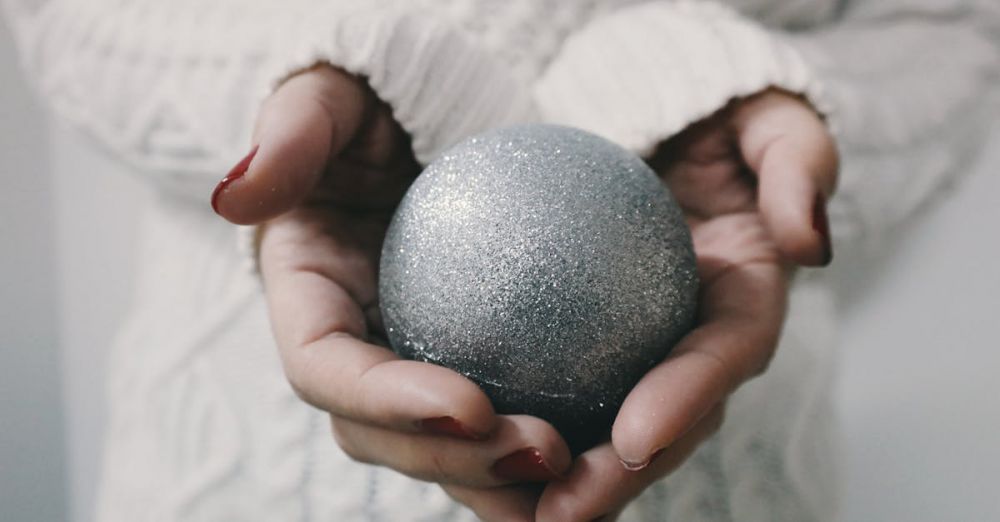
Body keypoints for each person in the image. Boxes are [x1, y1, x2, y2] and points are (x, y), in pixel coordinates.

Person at [5, 0, 997, 520]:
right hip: (237, 470)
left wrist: (704, 78)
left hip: (731, 467)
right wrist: (351, 68)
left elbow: (955, 27)